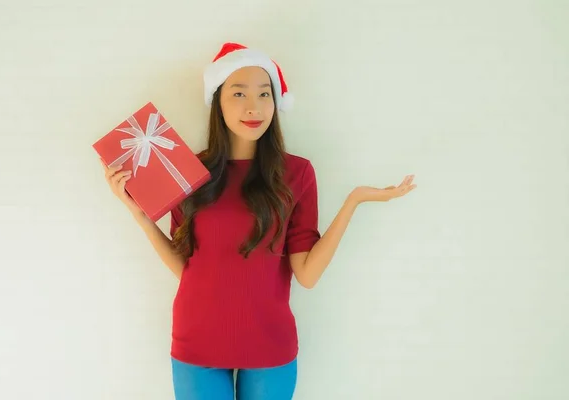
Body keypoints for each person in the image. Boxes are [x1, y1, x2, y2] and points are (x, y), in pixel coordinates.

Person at [101, 42, 416, 400]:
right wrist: (141, 216)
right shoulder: (189, 171)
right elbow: (187, 267)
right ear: (218, 101)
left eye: (265, 94)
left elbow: (308, 274)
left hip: (270, 343)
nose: (254, 107)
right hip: (197, 339)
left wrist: (353, 201)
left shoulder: (297, 173)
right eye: (239, 93)